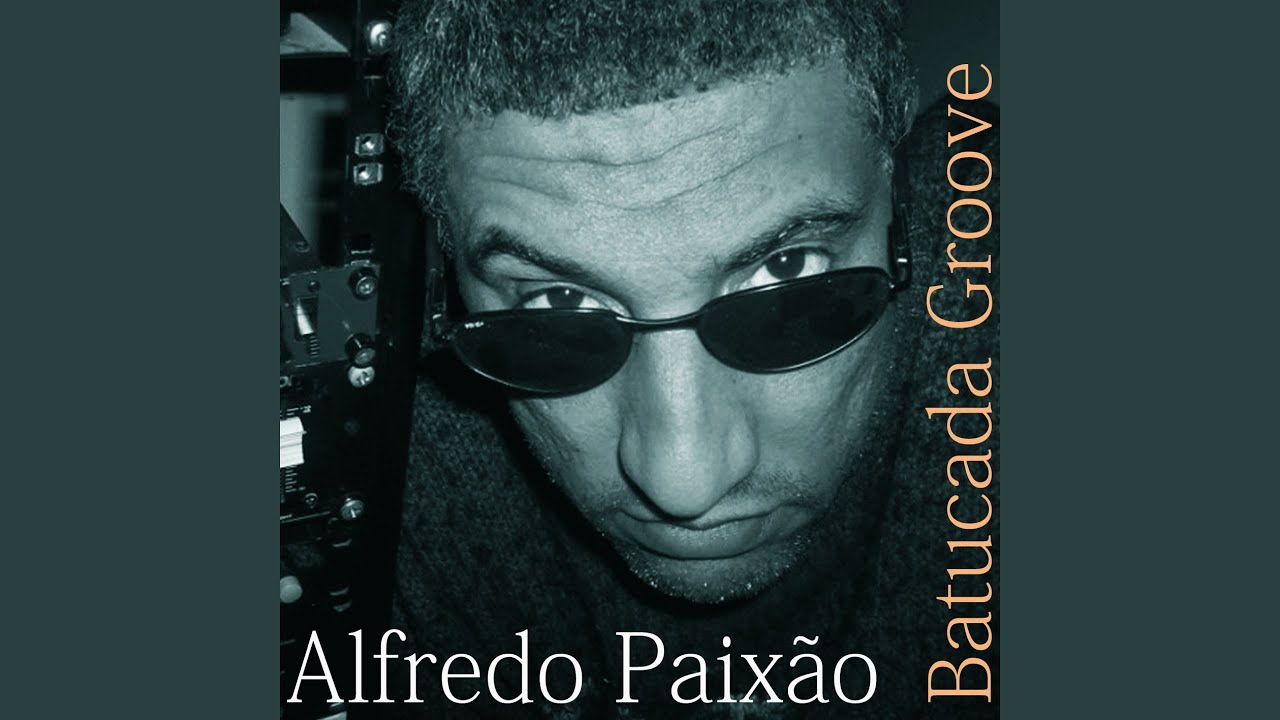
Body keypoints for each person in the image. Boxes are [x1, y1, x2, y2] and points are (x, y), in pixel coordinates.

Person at [381, 1, 998, 717]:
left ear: (901, 200)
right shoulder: (372, 463)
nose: (682, 482)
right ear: (443, 271)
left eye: (786, 270)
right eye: (558, 303)